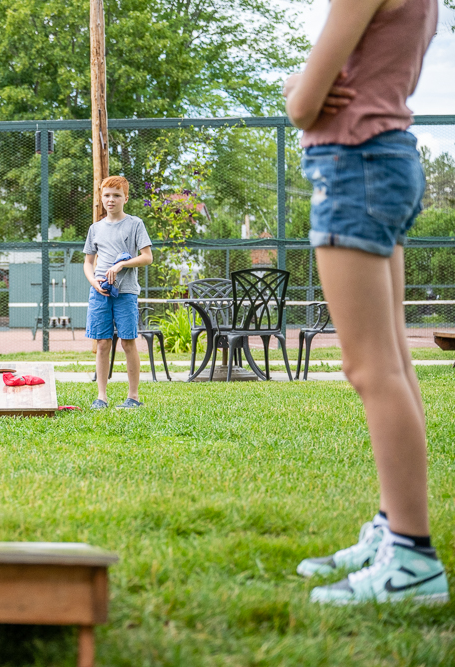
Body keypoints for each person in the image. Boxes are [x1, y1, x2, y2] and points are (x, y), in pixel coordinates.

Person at [284, 0, 446, 604]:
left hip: (354, 164)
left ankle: (410, 558)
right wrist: (301, 84)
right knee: (395, 361)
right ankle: (393, 533)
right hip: (386, 157)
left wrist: (293, 85)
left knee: (370, 367)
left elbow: (304, 104)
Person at [83, 176, 153, 409]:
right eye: (106, 195)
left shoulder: (135, 224)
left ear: (126, 197)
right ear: (101, 198)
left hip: (126, 293)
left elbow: (147, 257)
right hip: (100, 293)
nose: (111, 200)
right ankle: (101, 397)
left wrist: (121, 264)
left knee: (128, 342)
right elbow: (88, 263)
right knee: (103, 343)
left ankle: (133, 397)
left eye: (116, 195)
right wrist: (94, 282)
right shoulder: (95, 228)